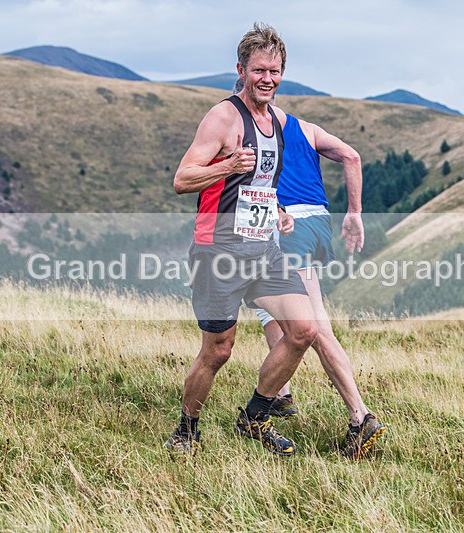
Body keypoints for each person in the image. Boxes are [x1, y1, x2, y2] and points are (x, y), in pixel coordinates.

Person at [165, 23, 317, 457]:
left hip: (263, 248)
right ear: (242, 70)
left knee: (303, 329)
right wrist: (226, 166)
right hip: (219, 250)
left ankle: (255, 417)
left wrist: (280, 214)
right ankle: (186, 430)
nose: (267, 78)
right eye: (259, 70)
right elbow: (182, 179)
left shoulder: (277, 124)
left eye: (275, 71)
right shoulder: (224, 117)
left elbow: (262, 186)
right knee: (218, 351)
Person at [233, 79, 386, 458]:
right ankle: (281, 397)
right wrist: (354, 213)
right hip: (318, 224)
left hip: (290, 225)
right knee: (271, 306)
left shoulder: (254, 129)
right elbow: (351, 157)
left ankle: (359, 416)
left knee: (314, 325)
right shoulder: (307, 128)